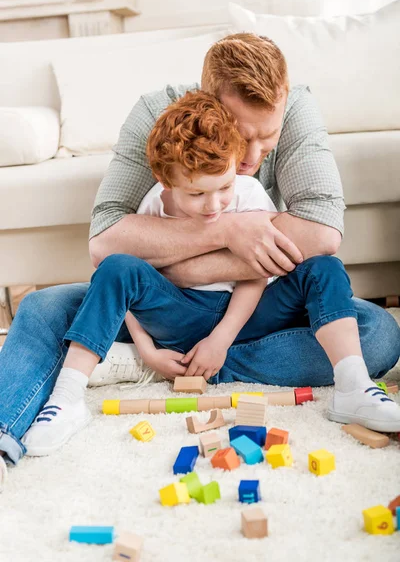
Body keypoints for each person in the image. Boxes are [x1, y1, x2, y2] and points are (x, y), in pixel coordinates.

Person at [0, 34, 399, 471]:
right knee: (40, 309)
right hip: (170, 311)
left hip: (248, 315)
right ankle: (8, 432)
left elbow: (322, 233)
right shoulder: (160, 119)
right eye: (240, 136)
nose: (249, 158)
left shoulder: (291, 114)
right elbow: (107, 241)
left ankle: (151, 365)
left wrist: (206, 311)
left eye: (266, 138)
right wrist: (229, 229)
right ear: (207, 106)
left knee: (377, 333)